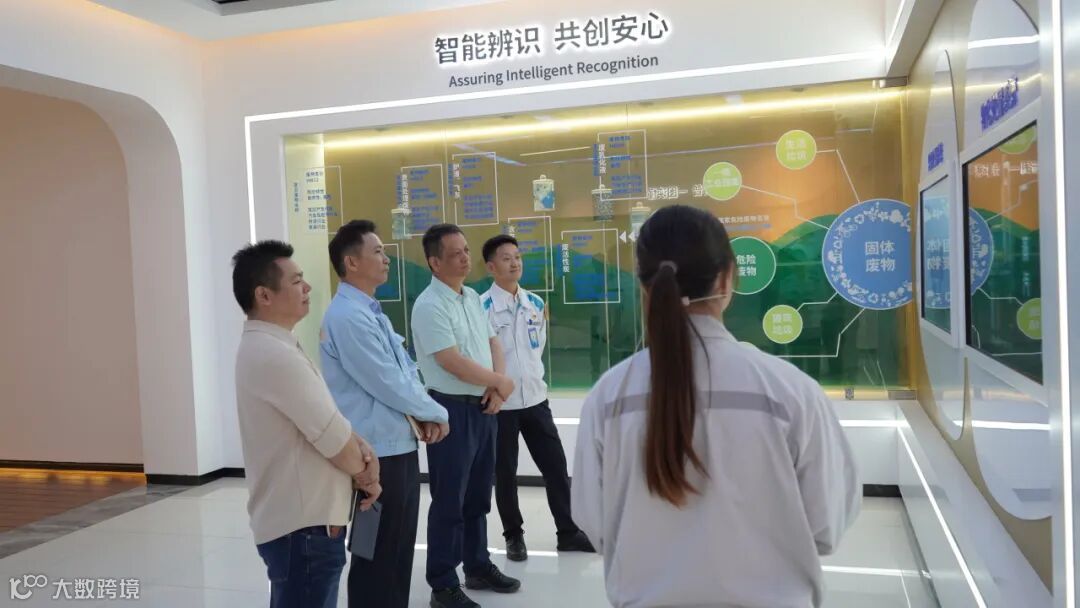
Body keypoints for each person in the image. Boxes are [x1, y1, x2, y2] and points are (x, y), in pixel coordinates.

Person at [571, 205, 860, 608]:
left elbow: (595, 523)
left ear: (644, 286)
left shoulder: (610, 396)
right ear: (726, 279)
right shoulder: (791, 392)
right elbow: (826, 526)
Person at [231, 240, 383, 608]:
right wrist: (367, 473)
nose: (308, 287)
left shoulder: (274, 346)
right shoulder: (274, 355)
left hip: (300, 524)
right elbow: (331, 437)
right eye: (297, 280)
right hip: (304, 530)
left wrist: (361, 449)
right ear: (264, 295)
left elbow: (326, 419)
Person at [320, 220, 452, 608]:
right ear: (351, 262)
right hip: (375, 454)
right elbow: (385, 381)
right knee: (374, 552)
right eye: (377, 251)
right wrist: (436, 412)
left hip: (397, 445)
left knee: (396, 551)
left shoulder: (370, 312)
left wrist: (421, 414)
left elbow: (404, 373)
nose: (386, 258)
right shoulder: (347, 316)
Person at [411, 224, 521, 608]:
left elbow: (493, 342)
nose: (464, 258)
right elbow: (450, 361)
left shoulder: (471, 296)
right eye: (455, 253)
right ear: (434, 262)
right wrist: (499, 382)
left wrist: (497, 386)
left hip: (483, 407)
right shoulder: (429, 305)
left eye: (466, 250)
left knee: (478, 496)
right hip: (451, 411)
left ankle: (477, 565)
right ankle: (442, 584)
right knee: (449, 501)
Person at [479, 235, 594, 561]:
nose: (514, 263)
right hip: (500, 406)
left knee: (556, 467)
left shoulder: (536, 303)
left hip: (536, 401)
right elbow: (480, 355)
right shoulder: (481, 308)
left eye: (517, 257)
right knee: (505, 474)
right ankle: (513, 536)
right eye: (505, 258)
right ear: (491, 267)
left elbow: (536, 348)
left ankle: (568, 532)